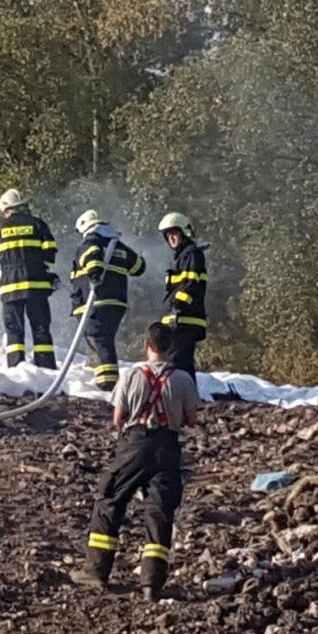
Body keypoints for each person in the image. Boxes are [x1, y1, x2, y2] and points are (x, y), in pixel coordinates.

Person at [71, 322, 201, 601]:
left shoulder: (131, 375)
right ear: (171, 347)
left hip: (134, 445)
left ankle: (96, 571)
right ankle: (151, 583)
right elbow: (192, 420)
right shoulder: (183, 379)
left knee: (110, 499)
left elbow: (118, 418)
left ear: (146, 345)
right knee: (160, 511)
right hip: (167, 448)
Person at [69, 209, 145, 391]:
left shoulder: (90, 242)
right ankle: (96, 368)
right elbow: (139, 267)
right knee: (101, 337)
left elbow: (92, 258)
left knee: (100, 337)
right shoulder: (119, 246)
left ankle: (108, 382)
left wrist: (95, 273)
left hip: (96, 301)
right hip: (117, 302)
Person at [0, 188, 58, 368]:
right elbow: (50, 252)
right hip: (37, 286)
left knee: (14, 330)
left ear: (6, 209)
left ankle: (16, 367)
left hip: (10, 287)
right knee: (41, 327)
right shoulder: (38, 224)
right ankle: (46, 366)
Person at [158, 212, 208, 380]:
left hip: (185, 318)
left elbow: (192, 284)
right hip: (181, 319)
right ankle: (187, 394)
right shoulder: (182, 257)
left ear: (184, 233)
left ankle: (184, 394)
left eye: (174, 233)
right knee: (181, 363)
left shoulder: (191, 254)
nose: (171, 238)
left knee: (178, 363)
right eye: (168, 235)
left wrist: (177, 306)